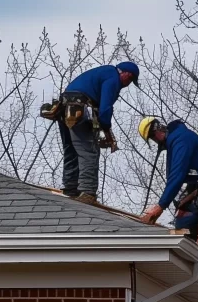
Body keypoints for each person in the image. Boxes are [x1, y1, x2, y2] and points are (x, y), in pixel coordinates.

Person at [58, 61, 139, 205]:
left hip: (65, 108)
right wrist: (106, 128)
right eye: (131, 79)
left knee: (71, 148)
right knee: (89, 150)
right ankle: (87, 192)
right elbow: (105, 108)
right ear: (126, 73)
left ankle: (70, 187)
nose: (128, 84)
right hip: (80, 108)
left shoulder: (103, 72)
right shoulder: (113, 77)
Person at [138, 117, 198, 238]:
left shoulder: (180, 139)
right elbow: (172, 177)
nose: (156, 142)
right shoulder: (174, 140)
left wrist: (160, 206)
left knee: (184, 224)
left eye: (153, 138)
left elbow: (177, 174)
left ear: (157, 130)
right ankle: (196, 241)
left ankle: (192, 252)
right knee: (181, 214)